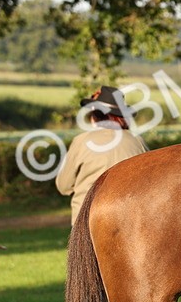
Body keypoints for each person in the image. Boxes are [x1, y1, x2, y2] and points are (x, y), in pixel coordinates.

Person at [55, 86, 147, 224]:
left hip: (87, 221)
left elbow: (64, 186)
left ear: (95, 116)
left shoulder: (81, 141)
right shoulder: (137, 141)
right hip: (129, 218)